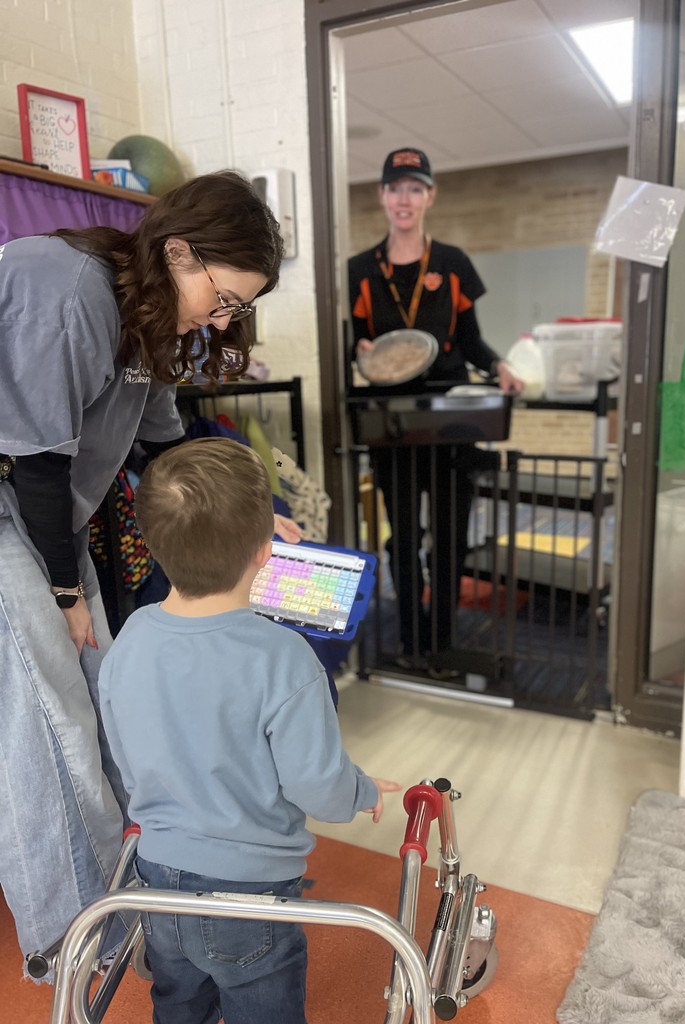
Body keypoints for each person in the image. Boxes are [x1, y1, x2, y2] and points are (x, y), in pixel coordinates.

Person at [0, 170, 299, 967]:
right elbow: (33, 462)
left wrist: (254, 515)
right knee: (48, 715)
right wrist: (66, 592)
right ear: (178, 253)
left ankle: (135, 882)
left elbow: (167, 449)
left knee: (100, 685)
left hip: (46, 508)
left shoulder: (151, 320)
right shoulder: (65, 289)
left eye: (240, 306)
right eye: (226, 297)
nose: (225, 316)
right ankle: (75, 938)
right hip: (14, 499)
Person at [99, 437, 399, 1024]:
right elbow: (317, 785)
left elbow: (124, 754)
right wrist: (363, 791)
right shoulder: (284, 658)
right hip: (250, 894)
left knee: (179, 1002)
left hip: (156, 876)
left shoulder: (130, 635)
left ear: (154, 547)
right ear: (265, 551)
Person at [347, 147, 523, 673]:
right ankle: (410, 642)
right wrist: (358, 352)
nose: (405, 198)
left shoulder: (452, 264)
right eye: (396, 188)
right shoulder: (360, 271)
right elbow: (355, 342)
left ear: (429, 197)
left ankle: (442, 640)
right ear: (382, 196)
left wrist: (500, 368)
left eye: (415, 188)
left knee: (449, 538)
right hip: (392, 424)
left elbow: (471, 341)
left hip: (450, 422)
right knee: (401, 537)